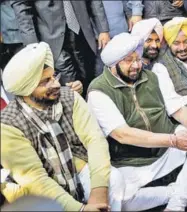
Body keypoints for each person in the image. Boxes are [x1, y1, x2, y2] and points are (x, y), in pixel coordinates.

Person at [87, 33, 187, 211]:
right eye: (129, 61)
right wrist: (173, 140)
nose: (137, 65)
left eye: (138, 59)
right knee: (119, 200)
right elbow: (122, 134)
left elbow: (176, 107)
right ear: (113, 65)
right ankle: (180, 189)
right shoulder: (99, 91)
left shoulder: (152, 77)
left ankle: (177, 203)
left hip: (167, 150)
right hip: (132, 162)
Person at [1, 42, 126, 211]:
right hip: (37, 187)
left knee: (114, 179)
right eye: (46, 81)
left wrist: (99, 191)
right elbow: (36, 180)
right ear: (27, 89)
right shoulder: (8, 125)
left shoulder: (69, 97)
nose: (56, 84)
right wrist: (80, 210)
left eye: (54, 77)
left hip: (76, 167)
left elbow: (95, 140)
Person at [11, 0, 111, 93]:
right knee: (71, 88)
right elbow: (21, 6)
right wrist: (32, 43)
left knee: (92, 80)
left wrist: (103, 29)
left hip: (83, 30)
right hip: (50, 37)